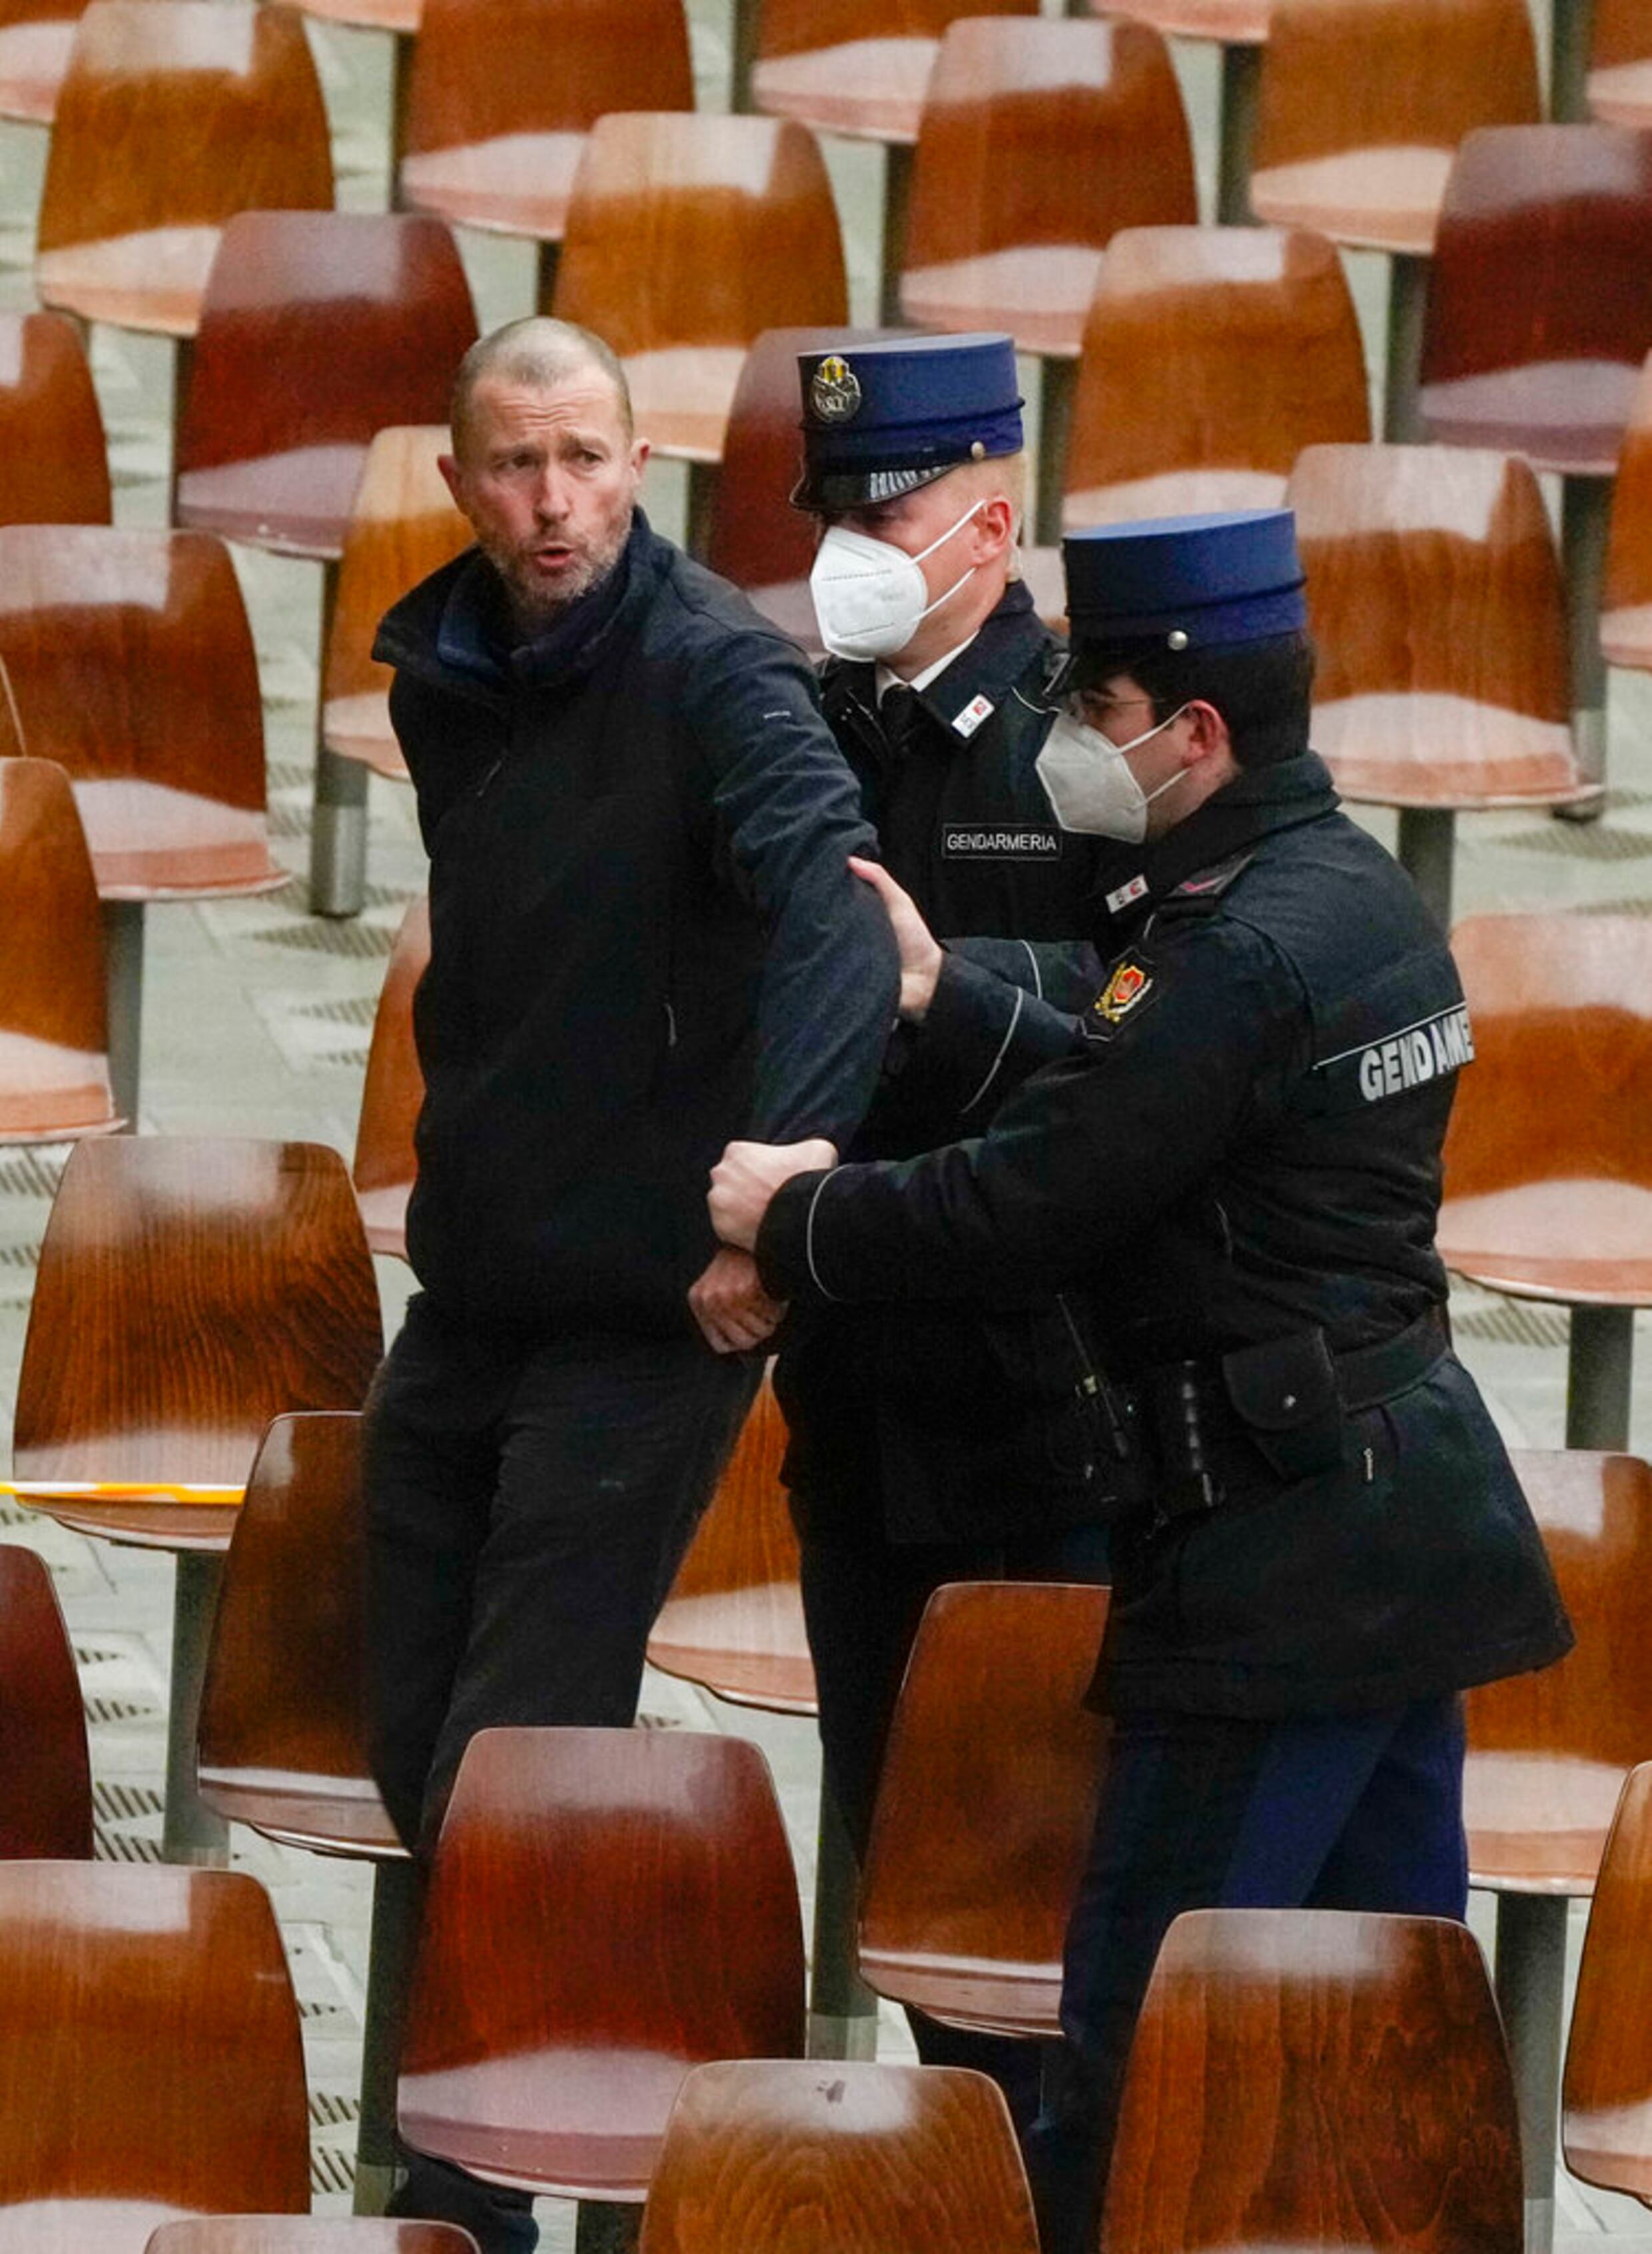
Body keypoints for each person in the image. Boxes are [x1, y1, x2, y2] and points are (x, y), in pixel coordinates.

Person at [707, 508, 1573, 2254]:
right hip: (1406, 1531)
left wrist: (798, 1223)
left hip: (1272, 1571)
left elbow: (1035, 1195)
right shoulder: (1344, 894)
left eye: (1092, 708)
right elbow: (1132, 1037)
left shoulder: (1236, 948)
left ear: (1192, 735)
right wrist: (953, 986)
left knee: (1143, 2044)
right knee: (1385, 2030)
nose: (1067, 744)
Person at [362, 316, 899, 2249]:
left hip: (647, 1319)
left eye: (584, 457)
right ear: (459, 483)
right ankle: (499, 2101)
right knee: (408, 1711)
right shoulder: (450, 675)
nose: (553, 499)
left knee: (518, 1744)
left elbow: (839, 925)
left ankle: (476, 2192)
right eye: (514, 465)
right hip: (483, 1285)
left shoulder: (716, 676)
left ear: (641, 463)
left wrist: (778, 1205)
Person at [769, 333, 1110, 2111]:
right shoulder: (797, 725)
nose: (849, 538)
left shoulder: (1100, 744)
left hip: (1050, 1417)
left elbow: (1176, 1038)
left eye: (884, 504)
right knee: (908, 1887)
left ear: (990, 517)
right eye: (828, 505)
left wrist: (948, 990)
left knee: (1050, 1922)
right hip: (858, 1405)